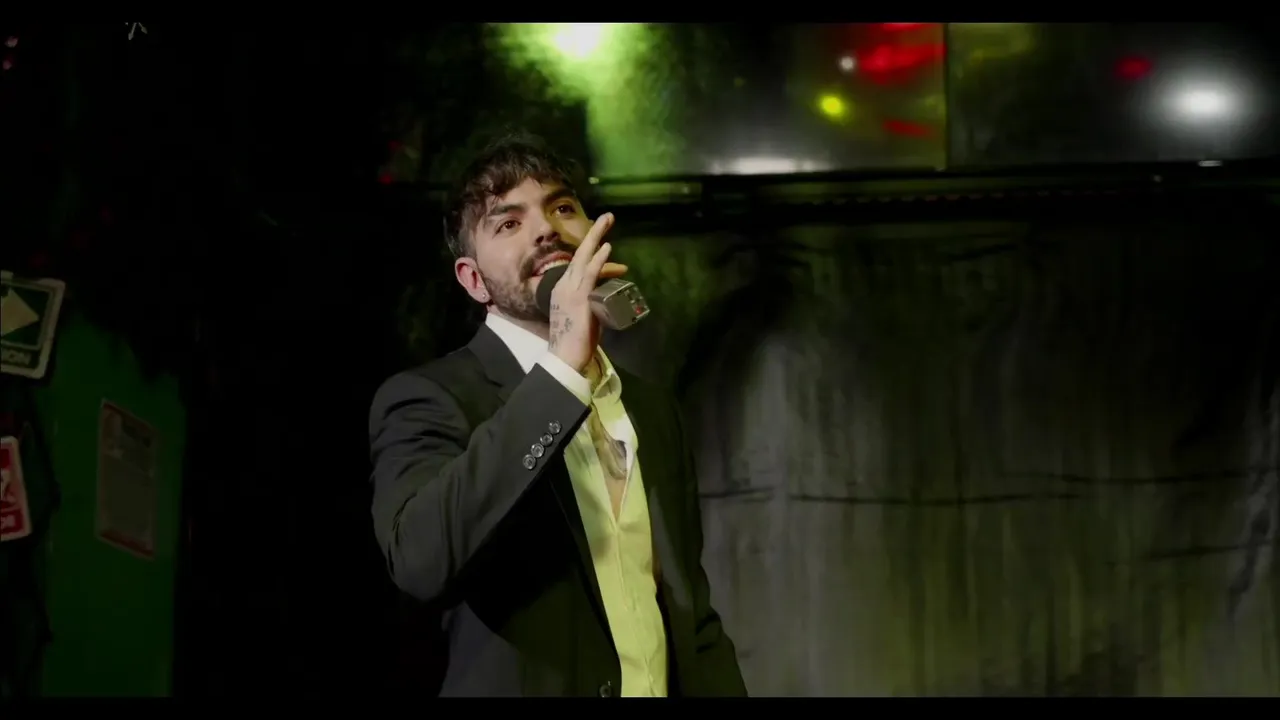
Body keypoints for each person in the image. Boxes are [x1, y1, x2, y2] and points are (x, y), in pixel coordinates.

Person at [367, 132, 747, 697]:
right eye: (508, 223)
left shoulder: (649, 407)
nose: (546, 229)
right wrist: (563, 369)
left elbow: (690, 611)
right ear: (473, 280)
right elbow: (420, 561)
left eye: (563, 208)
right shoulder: (429, 397)